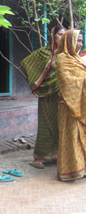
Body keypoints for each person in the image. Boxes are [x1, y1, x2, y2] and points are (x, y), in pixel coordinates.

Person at [20, 26, 65, 169]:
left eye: (65, 35)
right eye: (59, 34)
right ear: (53, 36)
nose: (62, 37)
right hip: (47, 96)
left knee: (61, 126)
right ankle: (38, 157)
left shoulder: (68, 54)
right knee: (46, 124)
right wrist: (38, 83)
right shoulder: (44, 53)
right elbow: (26, 63)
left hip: (62, 96)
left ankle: (58, 154)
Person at [55, 29, 85, 182]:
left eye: (81, 41)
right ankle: (69, 170)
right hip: (68, 106)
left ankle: (81, 168)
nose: (80, 44)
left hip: (81, 104)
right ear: (68, 42)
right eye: (77, 41)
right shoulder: (61, 58)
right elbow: (67, 82)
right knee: (71, 138)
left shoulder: (78, 59)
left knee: (82, 138)